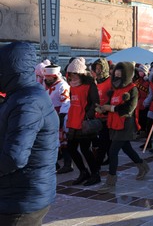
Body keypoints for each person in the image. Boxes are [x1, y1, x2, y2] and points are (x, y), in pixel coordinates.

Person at [0, 42, 59, 225]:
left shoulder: (28, 103)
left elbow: (15, 157)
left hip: (21, 199)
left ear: (11, 69)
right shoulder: (19, 95)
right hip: (20, 192)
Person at [97, 61, 150, 193]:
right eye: (116, 74)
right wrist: (103, 109)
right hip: (114, 123)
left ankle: (110, 182)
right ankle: (142, 165)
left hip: (125, 124)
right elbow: (109, 105)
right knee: (127, 148)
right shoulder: (115, 89)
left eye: (120, 74)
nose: (117, 77)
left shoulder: (133, 89)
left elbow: (129, 109)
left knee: (113, 151)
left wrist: (112, 108)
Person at [65, 57, 101, 186]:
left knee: (86, 150)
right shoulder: (72, 86)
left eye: (74, 74)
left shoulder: (89, 85)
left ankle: (95, 174)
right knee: (71, 148)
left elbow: (95, 102)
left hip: (84, 121)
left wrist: (88, 115)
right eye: (70, 74)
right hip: (73, 120)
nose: (72, 76)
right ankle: (83, 172)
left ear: (80, 73)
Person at [43, 64, 73, 173]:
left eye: (48, 77)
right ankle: (54, 164)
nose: (46, 78)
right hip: (50, 115)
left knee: (63, 141)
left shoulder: (62, 85)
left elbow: (66, 102)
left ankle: (67, 164)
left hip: (61, 115)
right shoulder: (47, 85)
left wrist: (61, 116)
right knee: (53, 141)